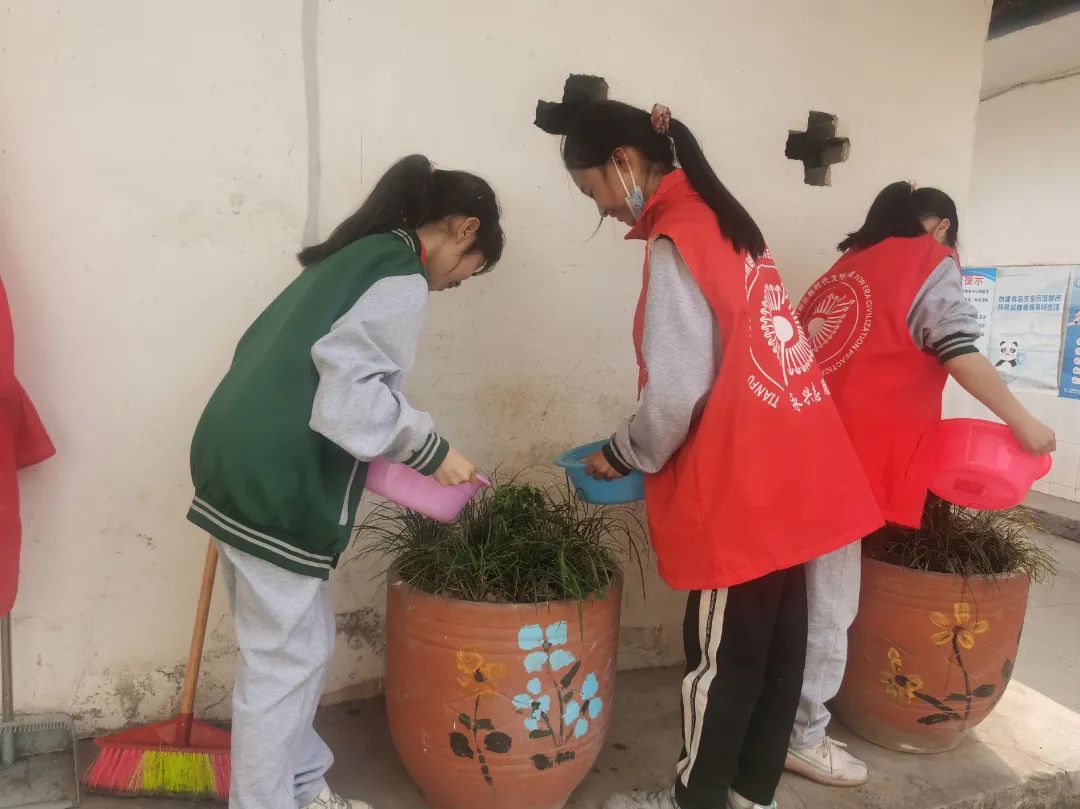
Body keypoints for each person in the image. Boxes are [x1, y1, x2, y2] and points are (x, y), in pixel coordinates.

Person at [535, 74, 883, 809]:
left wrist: (623, 452)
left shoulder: (676, 240)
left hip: (747, 484)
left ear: (624, 160)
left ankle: (693, 800)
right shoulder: (729, 225)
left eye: (590, 186)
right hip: (802, 474)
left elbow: (675, 395)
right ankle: (752, 796)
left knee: (721, 661)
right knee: (778, 653)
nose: (599, 205)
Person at [186, 154, 503, 809]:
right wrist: (432, 448)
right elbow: (346, 402)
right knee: (284, 661)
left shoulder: (351, 256)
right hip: (277, 477)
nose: (455, 285)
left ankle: (302, 784)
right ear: (466, 229)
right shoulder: (401, 276)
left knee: (293, 648)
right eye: (470, 275)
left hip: (234, 455)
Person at [787, 181, 1055, 787]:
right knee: (830, 604)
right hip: (848, 463)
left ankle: (772, 716)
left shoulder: (846, 269)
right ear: (938, 227)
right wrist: (1024, 422)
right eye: (950, 235)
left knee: (790, 596)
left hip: (798, 447)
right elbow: (958, 350)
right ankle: (801, 735)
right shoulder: (926, 264)